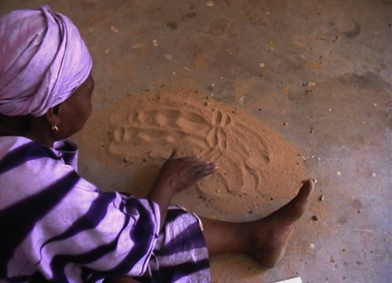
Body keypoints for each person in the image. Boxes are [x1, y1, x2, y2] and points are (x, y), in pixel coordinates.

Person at [0, 5, 315, 283]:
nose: (91, 99)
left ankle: (257, 238)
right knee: (137, 235)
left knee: (116, 217)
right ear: (54, 111)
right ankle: (254, 239)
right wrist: (167, 183)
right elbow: (129, 243)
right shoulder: (35, 183)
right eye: (89, 92)